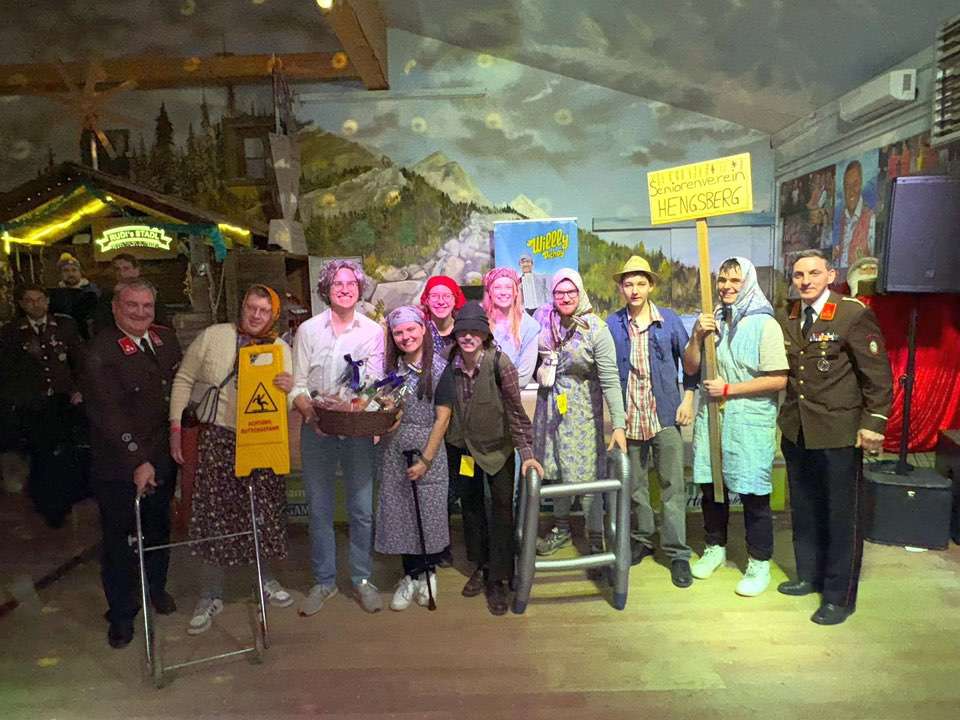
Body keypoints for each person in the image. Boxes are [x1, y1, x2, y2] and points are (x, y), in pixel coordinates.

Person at [168, 284, 296, 635]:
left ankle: (264, 580)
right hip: (219, 439)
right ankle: (210, 593)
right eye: (251, 307)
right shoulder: (213, 337)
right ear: (242, 308)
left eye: (264, 310)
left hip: (262, 440)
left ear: (273, 314)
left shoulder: (280, 348)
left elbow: (284, 402)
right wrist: (176, 427)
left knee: (262, 512)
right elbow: (184, 379)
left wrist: (288, 388)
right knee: (215, 515)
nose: (256, 315)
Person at [778, 249, 892, 625]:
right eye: (798, 275)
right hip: (798, 429)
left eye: (813, 273)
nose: (805, 281)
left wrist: (873, 423)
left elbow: (878, 376)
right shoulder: (789, 314)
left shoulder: (851, 313)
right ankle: (809, 575)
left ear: (830, 275)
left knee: (842, 516)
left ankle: (839, 597)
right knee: (805, 508)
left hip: (839, 431)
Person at [80, 278, 181, 648]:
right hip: (118, 464)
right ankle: (122, 615)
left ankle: (156, 588)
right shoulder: (99, 351)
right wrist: (138, 460)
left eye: (146, 306)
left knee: (158, 528)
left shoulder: (164, 340)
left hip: (161, 456)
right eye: (131, 305)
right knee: (119, 542)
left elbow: (178, 390)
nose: (140, 312)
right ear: (115, 308)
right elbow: (107, 414)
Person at [684, 257, 788, 596]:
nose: (727, 287)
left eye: (735, 281)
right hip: (714, 416)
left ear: (748, 283)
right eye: (723, 280)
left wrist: (730, 389)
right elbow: (691, 367)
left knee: (754, 493)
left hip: (748, 420)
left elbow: (778, 379)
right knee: (712, 488)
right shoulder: (712, 320)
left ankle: (759, 562)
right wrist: (697, 337)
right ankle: (715, 547)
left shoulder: (764, 324)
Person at [291, 259, 386, 615]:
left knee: (361, 509)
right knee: (319, 508)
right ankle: (324, 581)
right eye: (337, 284)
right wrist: (311, 413)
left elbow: (374, 385)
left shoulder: (373, 331)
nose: (345, 289)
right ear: (326, 290)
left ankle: (362, 578)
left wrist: (356, 407)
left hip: (357, 430)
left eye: (351, 284)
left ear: (359, 289)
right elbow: (298, 384)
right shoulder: (308, 330)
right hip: (316, 428)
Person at [438, 301, 543, 615]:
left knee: (501, 510)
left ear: (484, 334)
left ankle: (499, 577)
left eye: (475, 331)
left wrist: (526, 453)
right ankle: (482, 565)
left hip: (498, 449)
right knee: (471, 509)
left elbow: (515, 411)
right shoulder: (449, 363)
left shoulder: (500, 363)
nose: (468, 337)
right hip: (463, 450)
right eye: (462, 332)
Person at [606, 256, 696, 587]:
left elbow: (690, 363)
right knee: (635, 486)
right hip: (630, 417)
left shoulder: (669, 320)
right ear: (621, 287)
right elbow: (607, 370)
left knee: (673, 485)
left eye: (641, 283)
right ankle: (642, 539)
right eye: (628, 283)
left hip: (665, 414)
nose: (635, 290)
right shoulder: (613, 324)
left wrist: (688, 397)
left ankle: (677, 552)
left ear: (651, 286)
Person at [533, 269, 627, 562]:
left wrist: (619, 425)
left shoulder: (595, 328)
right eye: (559, 293)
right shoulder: (543, 319)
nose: (565, 298)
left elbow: (610, 378)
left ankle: (596, 537)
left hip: (582, 413)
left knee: (588, 477)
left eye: (571, 291)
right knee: (557, 473)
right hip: (550, 408)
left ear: (581, 292)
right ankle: (561, 528)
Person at [374, 306, 453, 611]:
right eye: (398, 332)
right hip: (394, 452)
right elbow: (390, 412)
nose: (405, 336)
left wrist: (426, 461)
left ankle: (428, 573)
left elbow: (443, 419)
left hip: (427, 451)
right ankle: (410, 575)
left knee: (428, 516)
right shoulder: (391, 372)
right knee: (402, 514)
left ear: (422, 329)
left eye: (410, 329)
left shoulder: (441, 369)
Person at [0, 284, 87, 527]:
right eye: (29, 300)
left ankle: (64, 500)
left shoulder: (64, 326)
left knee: (64, 452)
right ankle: (45, 503)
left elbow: (80, 360)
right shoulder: (12, 332)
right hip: (33, 403)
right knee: (41, 454)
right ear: (22, 304)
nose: (35, 304)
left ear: (47, 301)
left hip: (63, 399)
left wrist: (79, 389)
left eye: (39, 299)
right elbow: (8, 371)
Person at [482, 267, 540, 386]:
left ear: (516, 292)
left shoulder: (529, 327)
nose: (503, 292)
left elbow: (524, 375)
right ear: (489, 292)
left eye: (508, 287)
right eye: (497, 287)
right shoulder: (479, 322)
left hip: (511, 393)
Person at [93, 253, 169, 334]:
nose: (121, 273)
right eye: (117, 269)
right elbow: (100, 324)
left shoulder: (149, 293)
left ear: (136, 270)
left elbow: (161, 321)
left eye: (126, 268)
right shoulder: (107, 296)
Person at [833, 161, 876, 271]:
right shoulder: (841, 220)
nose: (851, 191)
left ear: (861, 185)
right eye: (847, 186)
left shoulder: (871, 219)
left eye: (855, 185)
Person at [49, 252, 99, 339]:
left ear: (80, 272)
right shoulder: (54, 295)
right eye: (66, 271)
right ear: (60, 274)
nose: (70, 274)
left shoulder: (92, 293)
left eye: (74, 270)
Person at [420, 275, 465, 361]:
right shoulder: (419, 333)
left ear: (455, 300)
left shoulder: (465, 330)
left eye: (447, 296)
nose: (441, 301)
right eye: (434, 296)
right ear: (427, 300)